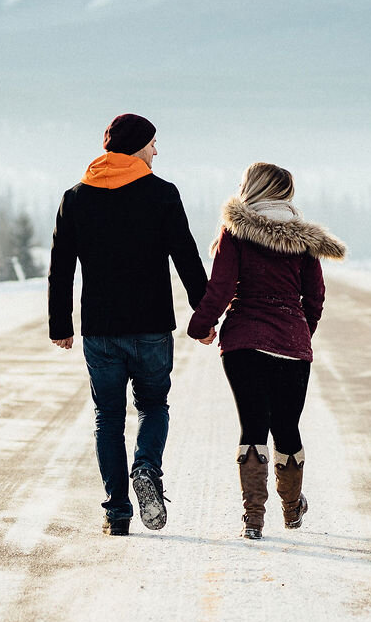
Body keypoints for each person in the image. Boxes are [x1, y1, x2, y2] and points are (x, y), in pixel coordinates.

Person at [49, 113, 209, 536]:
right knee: (153, 406)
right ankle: (147, 469)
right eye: (154, 143)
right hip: (151, 325)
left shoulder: (76, 197)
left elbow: (61, 268)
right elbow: (186, 257)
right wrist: (204, 313)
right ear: (137, 145)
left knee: (108, 417)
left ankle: (117, 512)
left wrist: (59, 323)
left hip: (99, 329)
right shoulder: (161, 194)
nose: (157, 151)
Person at [186, 162, 345, 539]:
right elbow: (315, 297)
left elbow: (221, 287)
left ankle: (253, 518)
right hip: (292, 343)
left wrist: (200, 324)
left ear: (252, 188)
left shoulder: (235, 229)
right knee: (286, 425)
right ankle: (292, 509)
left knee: (253, 425)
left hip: (242, 342)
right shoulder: (304, 239)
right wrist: (301, 332)